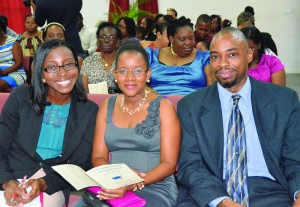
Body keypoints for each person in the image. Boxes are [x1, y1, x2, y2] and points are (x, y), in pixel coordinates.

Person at [176, 27, 300, 207]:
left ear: (249, 55)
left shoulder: (283, 101)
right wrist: (222, 202)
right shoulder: (191, 106)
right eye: (215, 57)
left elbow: (295, 159)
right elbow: (190, 166)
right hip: (211, 191)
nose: (222, 64)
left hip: (270, 192)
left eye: (232, 55)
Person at [74, 42, 180, 207]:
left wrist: (132, 183)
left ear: (148, 74)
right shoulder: (107, 105)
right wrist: (116, 180)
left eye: (137, 71)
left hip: (154, 185)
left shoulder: (163, 107)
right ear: (115, 75)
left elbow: (169, 164)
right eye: (123, 71)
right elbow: (98, 157)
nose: (130, 78)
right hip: (112, 185)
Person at [0, 39, 98, 207]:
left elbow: (80, 164)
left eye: (69, 65)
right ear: (41, 74)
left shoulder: (88, 110)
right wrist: (7, 181)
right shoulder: (20, 97)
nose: (63, 73)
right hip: (11, 174)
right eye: (52, 67)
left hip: (52, 182)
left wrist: (43, 183)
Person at [148, 17, 215, 95]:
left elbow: (212, 89)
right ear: (171, 38)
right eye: (182, 39)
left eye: (191, 38)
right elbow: (140, 85)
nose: (188, 43)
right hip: (156, 104)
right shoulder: (151, 55)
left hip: (193, 104)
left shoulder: (204, 57)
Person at [81, 22, 121, 94]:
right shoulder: (88, 61)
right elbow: (84, 92)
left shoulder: (124, 61)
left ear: (118, 42)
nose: (106, 40)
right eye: (103, 37)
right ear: (98, 40)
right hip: (94, 103)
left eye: (111, 37)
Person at [0, 19, 25, 92]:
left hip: (15, 74)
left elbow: (19, 64)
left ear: (1, 29)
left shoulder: (13, 42)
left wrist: (3, 72)